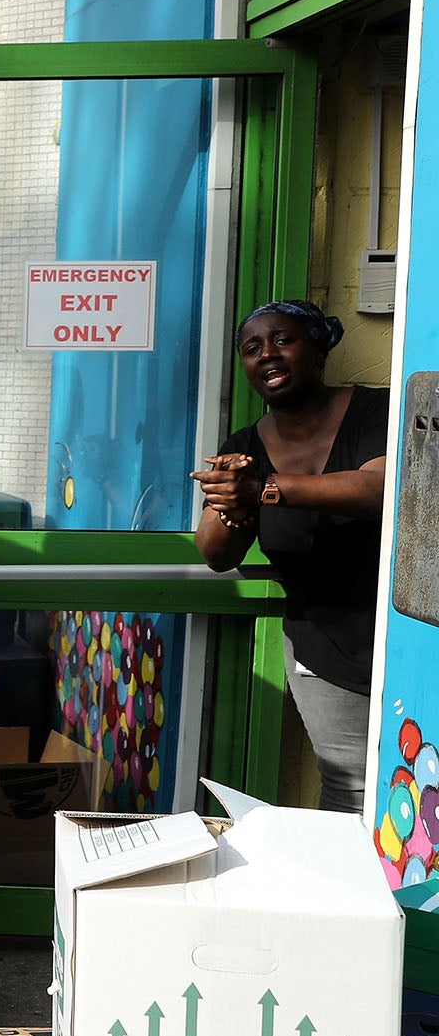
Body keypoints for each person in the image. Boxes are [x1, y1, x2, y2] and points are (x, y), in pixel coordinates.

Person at [192, 300, 386, 814]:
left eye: (282, 339)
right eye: (252, 349)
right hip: (323, 650)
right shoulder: (244, 447)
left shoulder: (378, 411)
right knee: (351, 793)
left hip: (408, 633)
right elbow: (214, 553)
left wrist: (267, 488)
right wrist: (232, 504)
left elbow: (379, 489)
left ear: (319, 349)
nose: (267, 355)